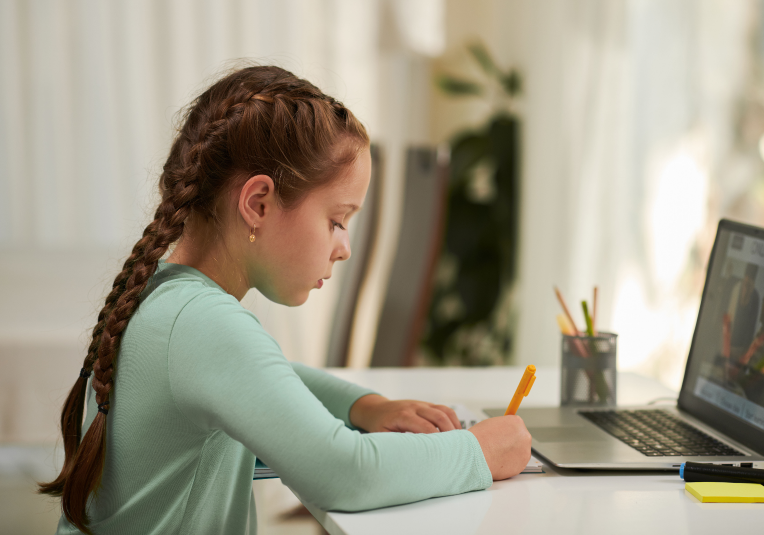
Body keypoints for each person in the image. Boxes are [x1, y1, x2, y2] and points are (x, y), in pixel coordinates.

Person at [39, 66, 531, 535]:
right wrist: (478, 451)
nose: (345, 248)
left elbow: (269, 377)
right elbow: (345, 473)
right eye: (337, 220)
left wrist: (366, 406)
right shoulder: (203, 322)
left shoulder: (166, 296)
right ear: (258, 203)